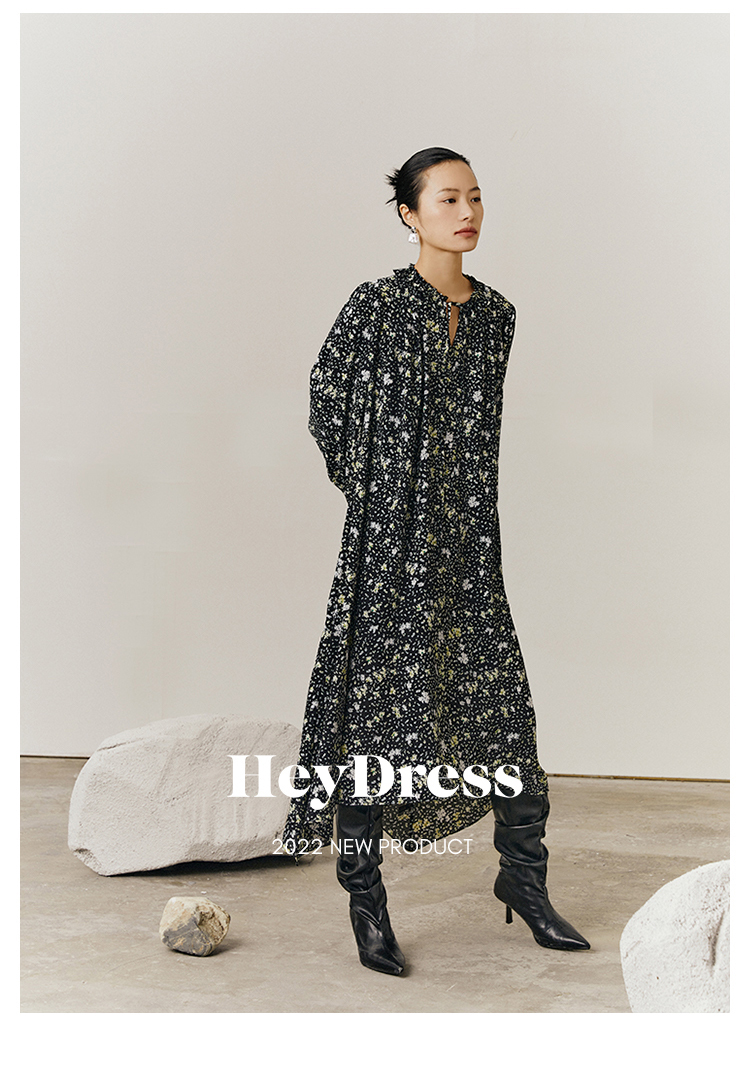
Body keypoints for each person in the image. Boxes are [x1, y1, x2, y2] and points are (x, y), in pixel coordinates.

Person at [282, 147, 589, 975]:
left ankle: (524, 881)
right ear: (410, 215)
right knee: (371, 722)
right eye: (448, 199)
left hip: (469, 547)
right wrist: (379, 493)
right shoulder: (376, 305)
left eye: (476, 197)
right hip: (389, 550)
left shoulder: (498, 317)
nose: (467, 212)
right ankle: (366, 902)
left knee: (503, 713)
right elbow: (325, 396)